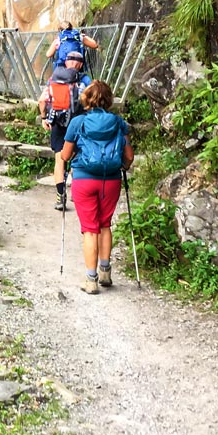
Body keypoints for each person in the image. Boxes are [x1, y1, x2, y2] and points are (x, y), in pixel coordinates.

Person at [60, 80, 134, 294]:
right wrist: (122, 166)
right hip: (110, 180)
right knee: (104, 225)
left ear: (86, 99)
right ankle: (105, 272)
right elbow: (129, 156)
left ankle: (91, 281)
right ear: (109, 99)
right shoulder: (119, 123)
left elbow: (65, 155)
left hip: (84, 179)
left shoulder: (78, 123)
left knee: (89, 229)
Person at [38, 51, 91, 210]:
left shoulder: (54, 78)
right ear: (81, 64)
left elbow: (42, 100)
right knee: (77, 155)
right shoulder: (84, 80)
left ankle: (60, 197)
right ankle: (76, 191)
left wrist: (44, 118)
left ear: (66, 62)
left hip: (58, 124)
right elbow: (91, 100)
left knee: (59, 159)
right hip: (78, 122)